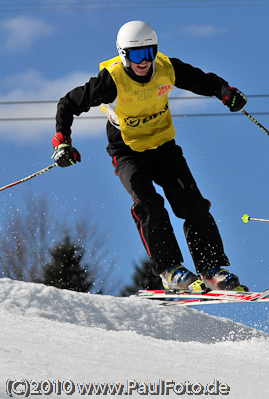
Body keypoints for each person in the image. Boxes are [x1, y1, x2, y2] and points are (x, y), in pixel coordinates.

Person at [53, 20, 248, 292]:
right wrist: (62, 142)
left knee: (192, 204)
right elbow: (68, 104)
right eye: (135, 55)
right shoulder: (110, 81)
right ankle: (169, 270)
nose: (143, 62)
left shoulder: (166, 69)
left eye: (149, 53)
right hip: (126, 151)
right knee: (149, 204)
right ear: (123, 55)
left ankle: (212, 269)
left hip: (163, 147)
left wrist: (225, 92)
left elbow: (202, 80)